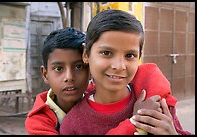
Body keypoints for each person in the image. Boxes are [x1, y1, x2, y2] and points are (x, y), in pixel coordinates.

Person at [59, 9, 193, 135]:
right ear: (86, 54)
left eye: (130, 56)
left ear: (139, 57)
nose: (119, 66)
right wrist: (134, 122)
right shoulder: (74, 124)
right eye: (106, 53)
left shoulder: (157, 104)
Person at [24, 27, 159, 135]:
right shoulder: (38, 121)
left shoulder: (98, 92)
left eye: (78, 67)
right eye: (58, 68)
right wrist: (135, 122)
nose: (69, 77)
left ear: (89, 65)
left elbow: (148, 73)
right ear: (45, 74)